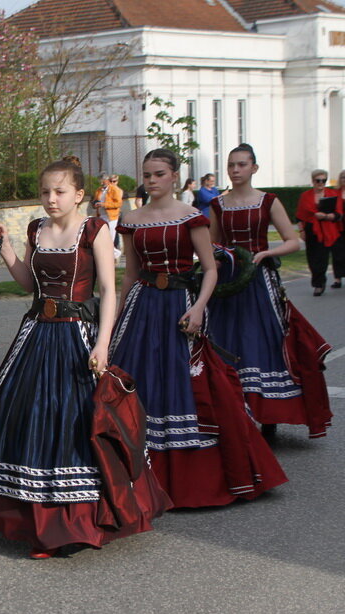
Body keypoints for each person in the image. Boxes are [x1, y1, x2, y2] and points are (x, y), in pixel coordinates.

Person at [0, 156, 171, 557]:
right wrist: (5, 248)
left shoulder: (95, 229)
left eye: (59, 191)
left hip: (77, 336)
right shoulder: (36, 229)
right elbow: (26, 284)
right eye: (45, 192)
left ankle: (74, 521)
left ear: (79, 195)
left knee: (74, 421)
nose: (50, 199)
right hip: (36, 333)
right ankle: (27, 516)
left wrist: (103, 344)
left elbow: (109, 289)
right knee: (22, 414)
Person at [109, 149, 287, 508]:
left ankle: (186, 479)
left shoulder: (192, 217)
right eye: (147, 174)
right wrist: (114, 315)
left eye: (158, 174)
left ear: (174, 176)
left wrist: (199, 307)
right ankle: (134, 474)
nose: (151, 180)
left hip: (178, 305)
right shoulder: (131, 219)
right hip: (142, 306)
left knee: (181, 382)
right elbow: (129, 273)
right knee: (133, 378)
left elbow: (210, 268)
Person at [207, 143, 332, 441]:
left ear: (254, 168)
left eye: (241, 165)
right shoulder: (218, 205)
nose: (236, 170)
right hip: (228, 281)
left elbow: (293, 241)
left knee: (260, 339)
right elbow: (210, 244)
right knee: (225, 339)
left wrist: (263, 254)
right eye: (231, 165)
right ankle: (234, 411)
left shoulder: (268, 201)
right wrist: (218, 259)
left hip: (259, 281)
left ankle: (268, 415)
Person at [295, 169, 339, 296]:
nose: (320, 183)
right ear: (313, 181)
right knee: (312, 258)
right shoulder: (305, 196)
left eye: (323, 181)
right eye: (318, 180)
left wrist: (326, 216)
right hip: (310, 229)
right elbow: (299, 215)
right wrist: (301, 230)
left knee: (322, 257)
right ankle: (317, 278)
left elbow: (338, 214)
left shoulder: (331, 194)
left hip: (326, 229)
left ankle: (319, 284)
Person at [93, 173, 124, 258]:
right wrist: (95, 204)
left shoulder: (114, 189)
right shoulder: (99, 190)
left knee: (110, 238)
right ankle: (113, 254)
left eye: (102, 181)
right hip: (101, 215)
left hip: (111, 217)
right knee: (103, 237)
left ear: (107, 180)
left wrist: (104, 204)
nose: (101, 183)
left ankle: (114, 255)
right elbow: (95, 200)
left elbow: (118, 203)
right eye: (100, 181)